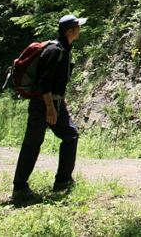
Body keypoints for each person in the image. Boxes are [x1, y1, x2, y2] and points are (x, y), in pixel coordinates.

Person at [11, 14, 86, 204]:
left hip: (56, 103)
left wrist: (62, 101)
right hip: (43, 105)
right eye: (78, 26)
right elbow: (43, 83)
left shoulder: (65, 49)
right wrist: (50, 108)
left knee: (71, 136)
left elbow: (58, 81)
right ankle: (19, 188)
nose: (80, 29)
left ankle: (62, 181)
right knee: (32, 144)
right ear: (70, 30)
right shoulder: (54, 50)